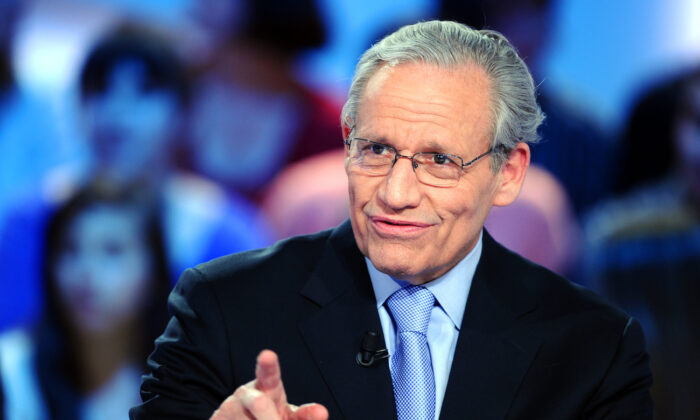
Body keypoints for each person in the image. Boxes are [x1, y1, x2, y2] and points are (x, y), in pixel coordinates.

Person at [131, 21, 653, 419]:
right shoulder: (222, 308)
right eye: (376, 149)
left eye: (440, 160)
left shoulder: (595, 349)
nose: (395, 193)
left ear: (508, 173)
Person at [0, 184, 171, 419]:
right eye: (71, 250)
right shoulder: (12, 372)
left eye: (112, 251)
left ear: (154, 273)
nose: (86, 272)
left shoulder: (184, 382)